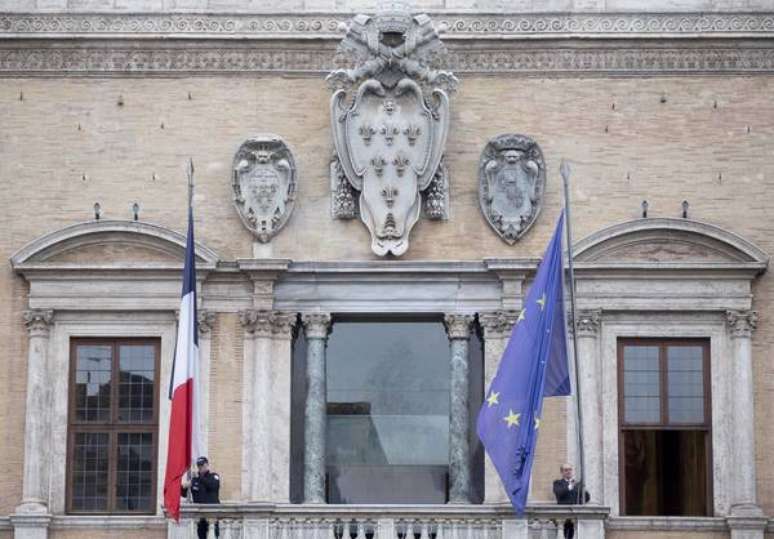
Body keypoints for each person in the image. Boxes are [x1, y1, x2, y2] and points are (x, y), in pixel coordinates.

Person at [181, 456, 221, 539]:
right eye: (199, 466)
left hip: (212, 515)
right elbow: (183, 494)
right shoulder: (194, 480)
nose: (200, 468)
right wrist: (182, 487)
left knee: (213, 536)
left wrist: (200, 478)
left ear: (207, 465)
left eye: (202, 465)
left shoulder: (214, 477)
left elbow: (212, 486)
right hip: (199, 517)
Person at [553, 463, 590, 539]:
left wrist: (582, 489)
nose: (568, 472)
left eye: (570, 469)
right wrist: (569, 487)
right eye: (566, 470)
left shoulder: (577, 484)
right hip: (563, 517)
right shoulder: (558, 483)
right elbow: (559, 493)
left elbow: (586, 498)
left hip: (576, 517)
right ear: (562, 472)